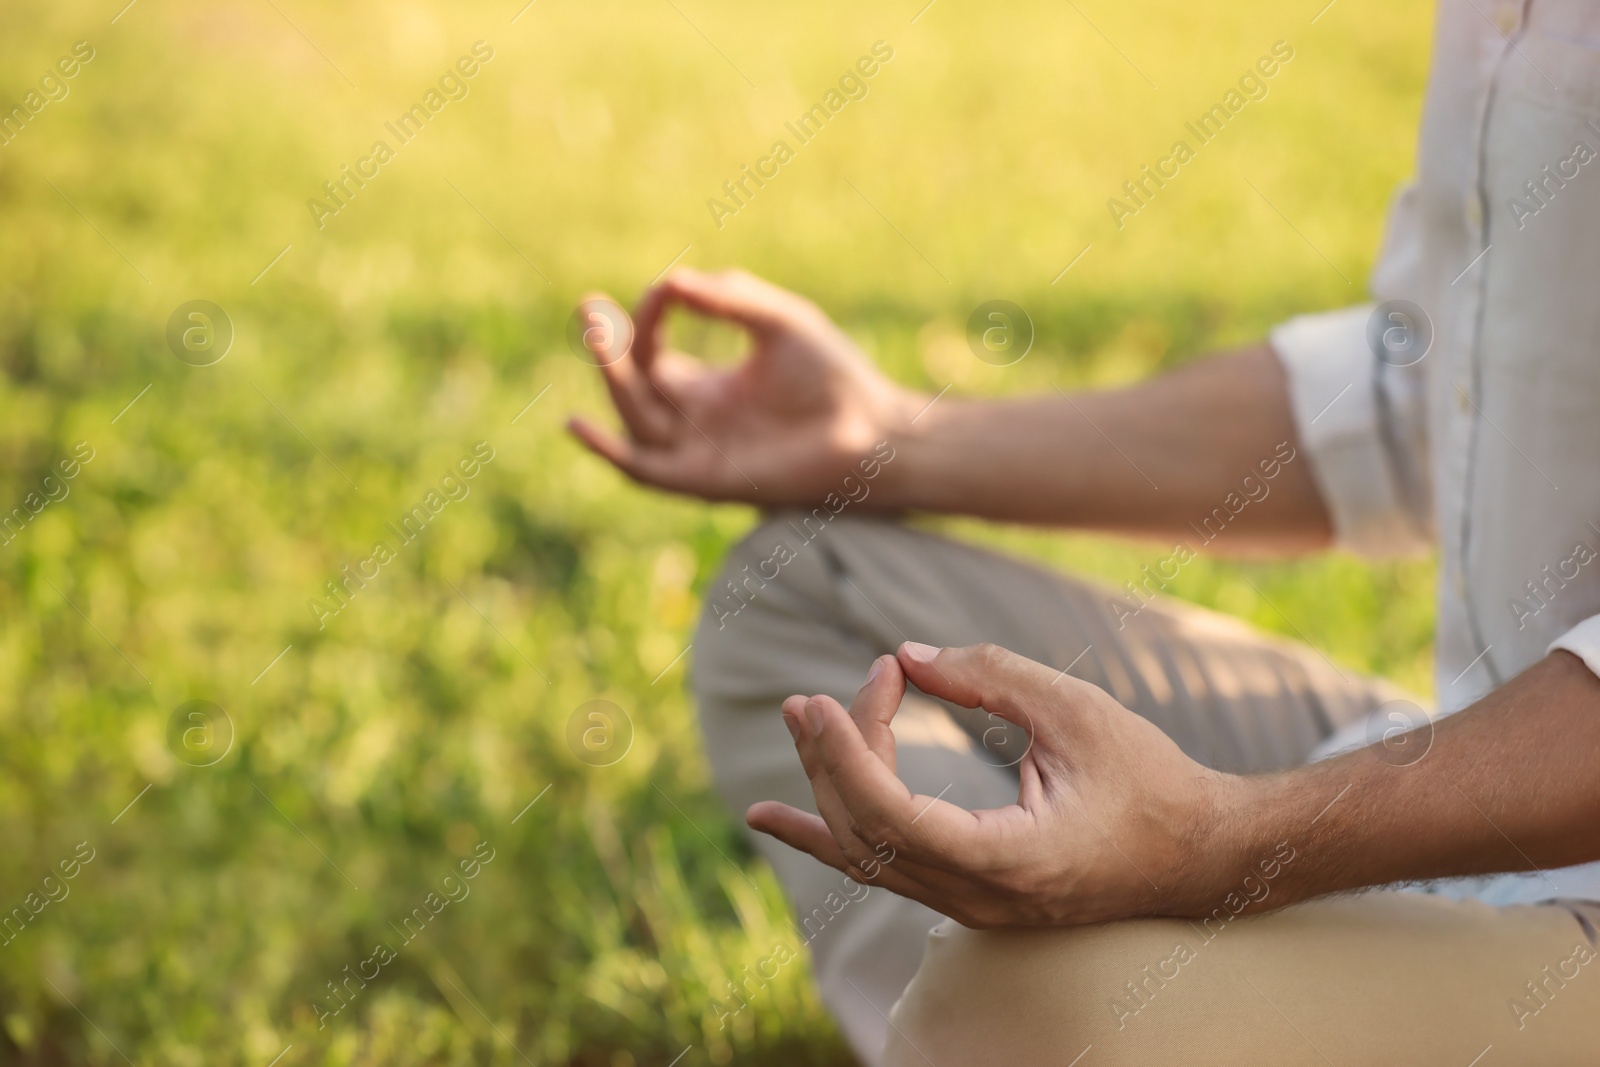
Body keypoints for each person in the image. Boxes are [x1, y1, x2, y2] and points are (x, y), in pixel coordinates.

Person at [568, 2, 1600, 1061]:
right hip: (1483, 754)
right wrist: (884, 441)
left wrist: (1222, 837)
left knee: (1020, 1006)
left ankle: (1012, 1009)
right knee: (798, 589)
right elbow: (1420, 389)